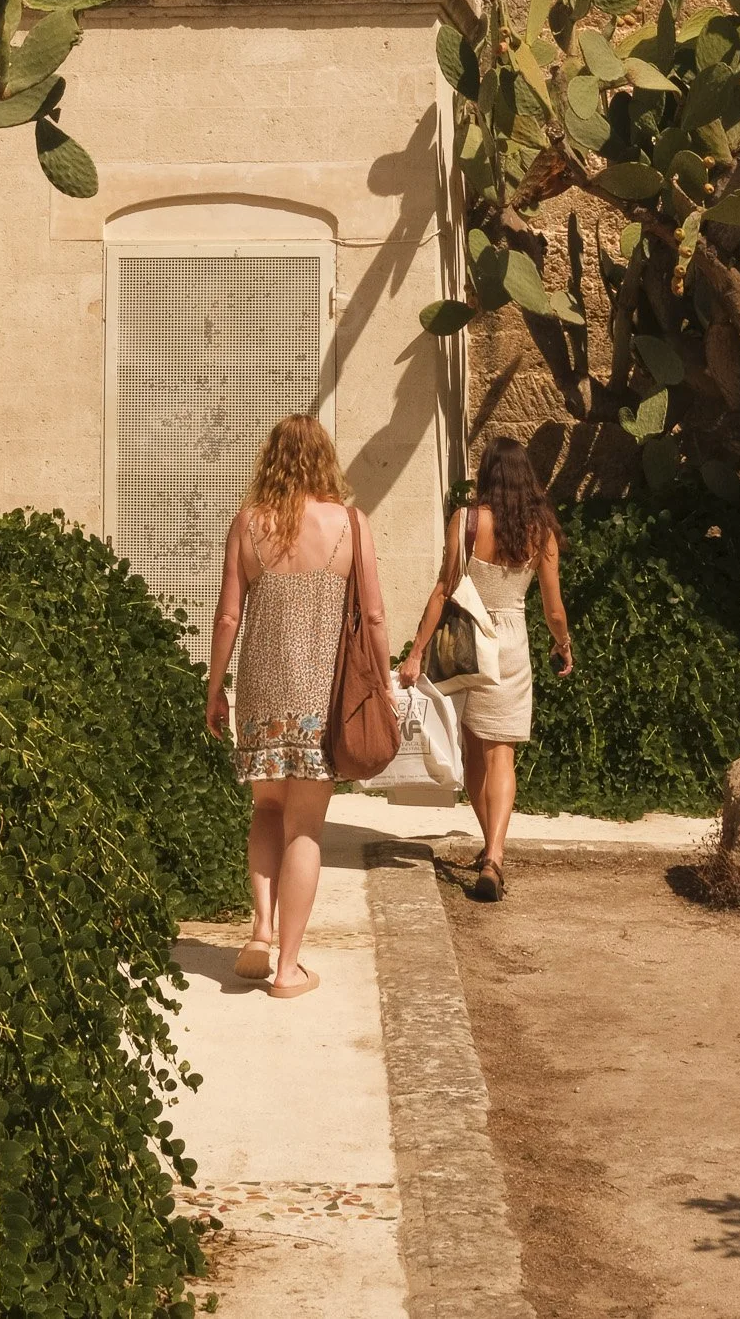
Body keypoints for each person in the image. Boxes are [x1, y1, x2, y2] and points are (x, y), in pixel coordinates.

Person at [205, 413, 386, 999]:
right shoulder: (351, 525)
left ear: (272, 460)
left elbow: (228, 615)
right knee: (304, 828)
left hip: (261, 691)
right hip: (320, 700)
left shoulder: (248, 523)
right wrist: (383, 683)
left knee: (266, 810)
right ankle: (287, 969)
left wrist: (215, 687)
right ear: (325, 460)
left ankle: (261, 928)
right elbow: (374, 616)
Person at [400, 436, 572, 901]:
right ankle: (494, 854)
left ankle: (489, 846)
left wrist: (416, 652)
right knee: (502, 755)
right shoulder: (541, 531)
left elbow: (443, 589)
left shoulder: (467, 521)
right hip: (510, 646)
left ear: (488, 475)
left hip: (466, 645)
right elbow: (553, 609)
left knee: (474, 751)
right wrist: (563, 644)